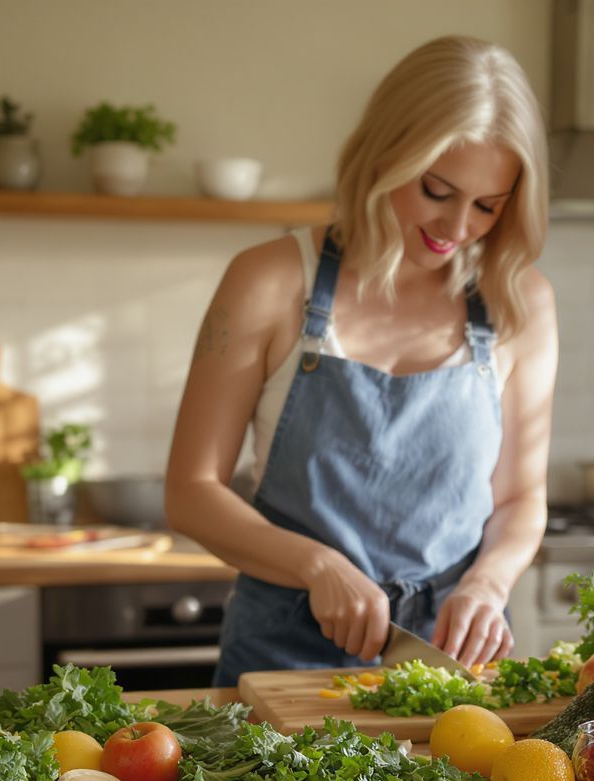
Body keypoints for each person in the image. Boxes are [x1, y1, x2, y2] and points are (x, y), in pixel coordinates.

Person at [165, 35, 558, 686]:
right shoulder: (267, 280)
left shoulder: (520, 301)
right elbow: (190, 493)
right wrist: (318, 566)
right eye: (437, 190)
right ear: (385, 155)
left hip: (448, 665)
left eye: (488, 206)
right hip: (283, 657)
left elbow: (520, 497)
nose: (458, 226)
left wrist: (488, 584)